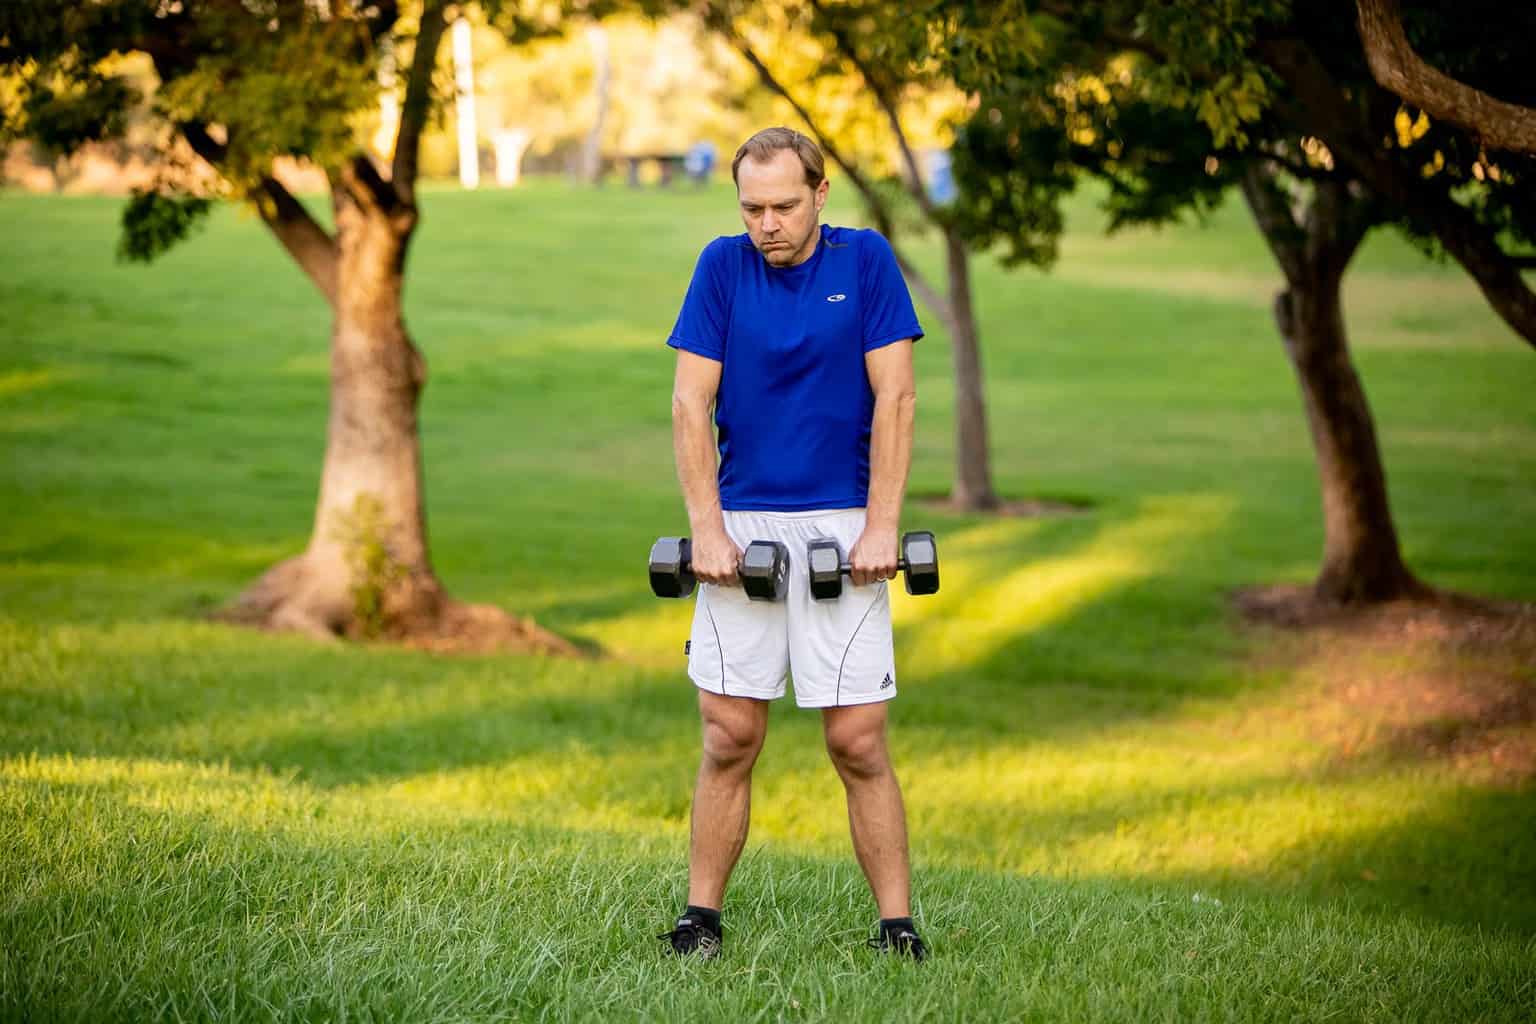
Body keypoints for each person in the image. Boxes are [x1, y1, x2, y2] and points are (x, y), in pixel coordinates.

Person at [660, 126, 928, 962]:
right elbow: (687, 404)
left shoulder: (866, 262)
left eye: (782, 205)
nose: (766, 223)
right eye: (751, 208)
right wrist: (708, 531)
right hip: (740, 528)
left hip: (846, 525)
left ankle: (896, 927)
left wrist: (882, 525)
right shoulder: (721, 266)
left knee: (857, 740)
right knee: (729, 734)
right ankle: (700, 921)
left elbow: (897, 399)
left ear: (820, 194)